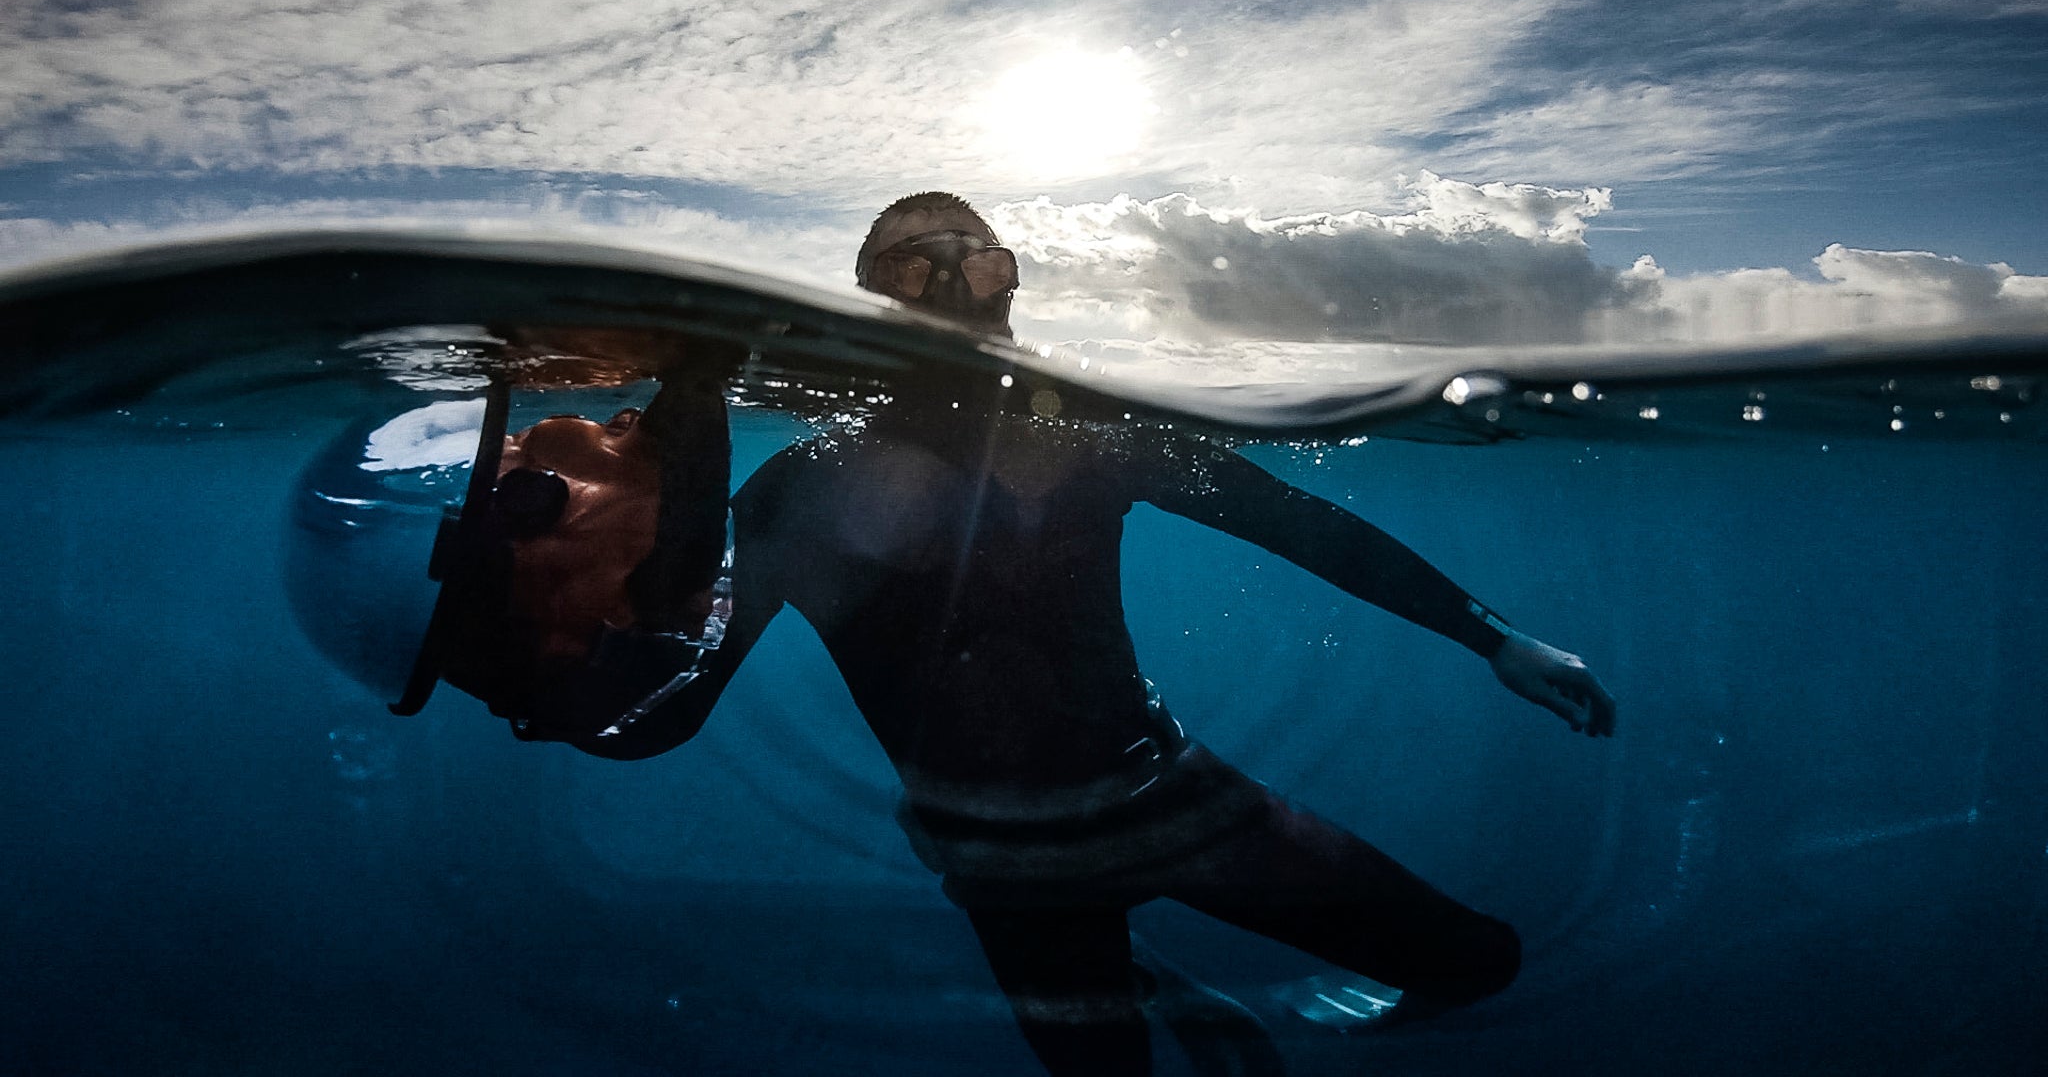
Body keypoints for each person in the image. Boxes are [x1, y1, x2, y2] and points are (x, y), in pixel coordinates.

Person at [376, 193, 1617, 1076]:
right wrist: (541, 666)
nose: (967, 271)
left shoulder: (1098, 436)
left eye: (981, 252)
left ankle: (1169, 978)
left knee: (1477, 963)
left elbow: (1298, 527)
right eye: (927, 259)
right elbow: (684, 694)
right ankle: (1141, 978)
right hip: (1000, 866)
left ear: (1014, 275)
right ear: (875, 300)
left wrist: (1492, 635)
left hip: (1169, 794)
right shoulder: (807, 488)